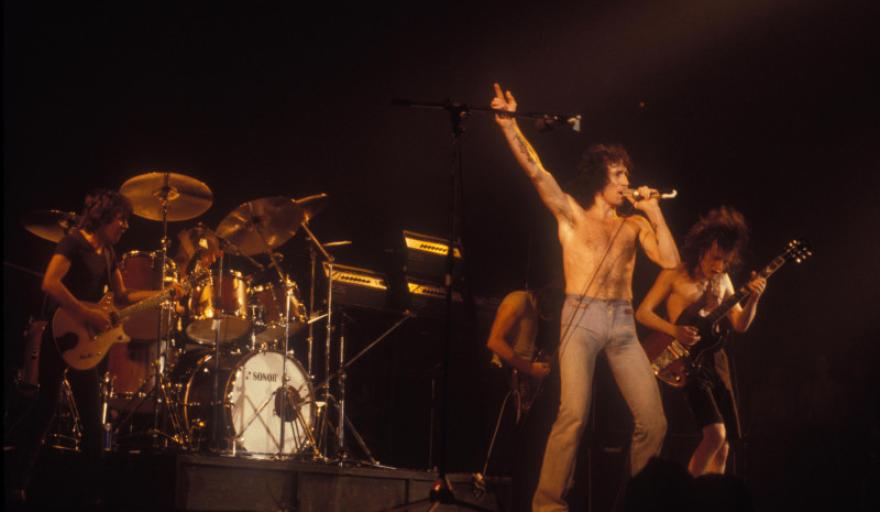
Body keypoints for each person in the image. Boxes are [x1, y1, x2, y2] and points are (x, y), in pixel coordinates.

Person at [491, 83, 680, 511]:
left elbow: (669, 260)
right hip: (581, 317)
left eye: (627, 175)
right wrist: (508, 126)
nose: (627, 182)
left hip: (623, 324)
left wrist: (654, 211)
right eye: (619, 175)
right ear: (600, 178)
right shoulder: (571, 214)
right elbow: (537, 172)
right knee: (573, 414)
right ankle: (548, 505)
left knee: (654, 421)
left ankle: (641, 503)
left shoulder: (634, 223)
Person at [7, 189, 168, 506]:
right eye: (122, 219)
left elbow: (122, 297)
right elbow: (50, 282)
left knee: (93, 422)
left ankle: (90, 496)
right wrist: (86, 314)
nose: (125, 226)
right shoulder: (73, 243)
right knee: (44, 410)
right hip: (60, 334)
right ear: (105, 216)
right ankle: (15, 481)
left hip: (86, 343)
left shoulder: (108, 253)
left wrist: (161, 294)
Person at [635, 206, 767, 476]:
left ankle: (712, 495)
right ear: (703, 248)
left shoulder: (724, 280)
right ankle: (690, 492)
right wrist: (674, 330)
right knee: (715, 435)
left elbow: (740, 325)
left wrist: (754, 298)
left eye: (725, 262)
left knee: (725, 445)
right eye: (715, 258)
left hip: (715, 361)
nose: (719, 266)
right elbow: (642, 313)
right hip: (683, 360)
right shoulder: (675, 274)